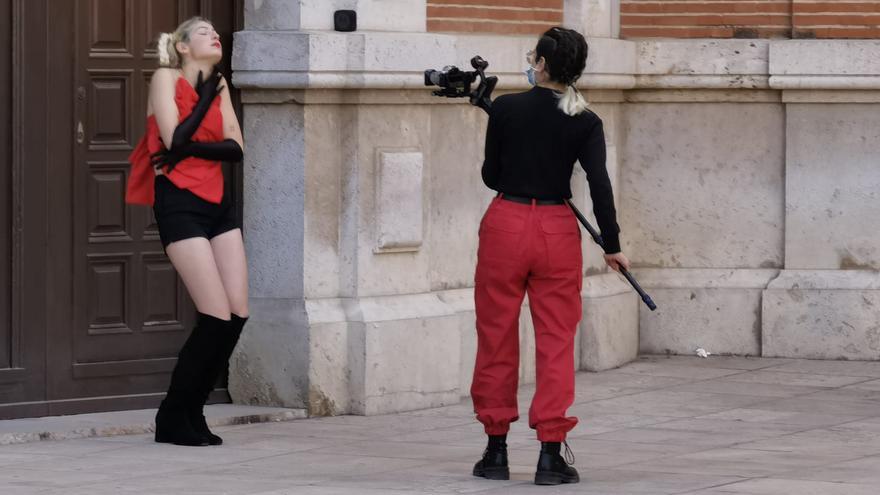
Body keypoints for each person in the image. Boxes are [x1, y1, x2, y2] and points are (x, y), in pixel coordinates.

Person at [470, 27, 630, 485]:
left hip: (505, 222)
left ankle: (495, 449)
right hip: (558, 229)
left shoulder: (505, 108)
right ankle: (549, 454)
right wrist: (612, 244)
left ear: (540, 62)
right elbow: (599, 185)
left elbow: (490, 174)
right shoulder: (586, 120)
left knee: (496, 332)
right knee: (556, 340)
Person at [126, 17, 247, 447]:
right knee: (214, 315)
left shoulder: (221, 85)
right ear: (181, 46)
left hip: (218, 205)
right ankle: (173, 416)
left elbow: (235, 148)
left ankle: (190, 411)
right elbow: (171, 136)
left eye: (215, 32)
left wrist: (190, 146)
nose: (214, 35)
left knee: (236, 315)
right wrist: (199, 112)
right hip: (179, 204)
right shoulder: (165, 77)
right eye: (203, 32)